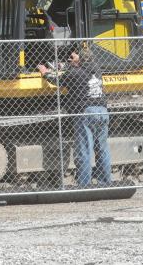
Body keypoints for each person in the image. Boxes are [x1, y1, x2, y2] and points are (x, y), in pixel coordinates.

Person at [38, 46, 112, 188]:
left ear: (80, 60)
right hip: (102, 110)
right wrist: (66, 64)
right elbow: (81, 65)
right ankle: (105, 183)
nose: (69, 59)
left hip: (86, 112)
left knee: (84, 149)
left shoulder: (75, 73)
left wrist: (45, 72)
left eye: (72, 57)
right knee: (102, 148)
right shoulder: (96, 68)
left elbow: (57, 80)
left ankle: (84, 185)